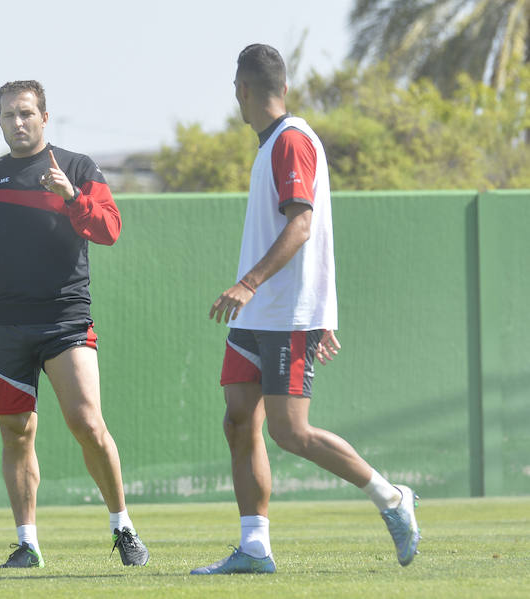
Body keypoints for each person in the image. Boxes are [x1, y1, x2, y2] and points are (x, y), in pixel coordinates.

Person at [191, 44, 420, 575]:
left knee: (290, 432)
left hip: (281, 313)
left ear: (241, 91)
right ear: (285, 87)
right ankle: (254, 548)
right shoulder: (276, 140)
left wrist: (251, 286)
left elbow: (302, 224)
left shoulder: (291, 141)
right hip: (259, 317)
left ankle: (392, 498)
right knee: (238, 419)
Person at [0, 80, 149, 568]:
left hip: (66, 318)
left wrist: (72, 194)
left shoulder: (76, 167)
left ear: (44, 116)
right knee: (16, 432)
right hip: (5, 323)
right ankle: (27, 544)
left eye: (26, 113)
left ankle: (123, 527)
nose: (18, 123)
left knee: (87, 422)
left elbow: (110, 229)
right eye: (9, 116)